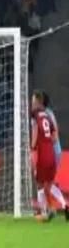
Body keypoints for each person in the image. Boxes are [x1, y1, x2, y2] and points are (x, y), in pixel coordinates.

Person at [31, 91, 69, 222]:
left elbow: (54, 136)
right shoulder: (49, 113)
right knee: (48, 183)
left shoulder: (39, 115)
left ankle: (45, 211)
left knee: (43, 183)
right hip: (54, 151)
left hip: (49, 152)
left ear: (39, 102)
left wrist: (41, 147)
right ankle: (61, 206)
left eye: (33, 100)